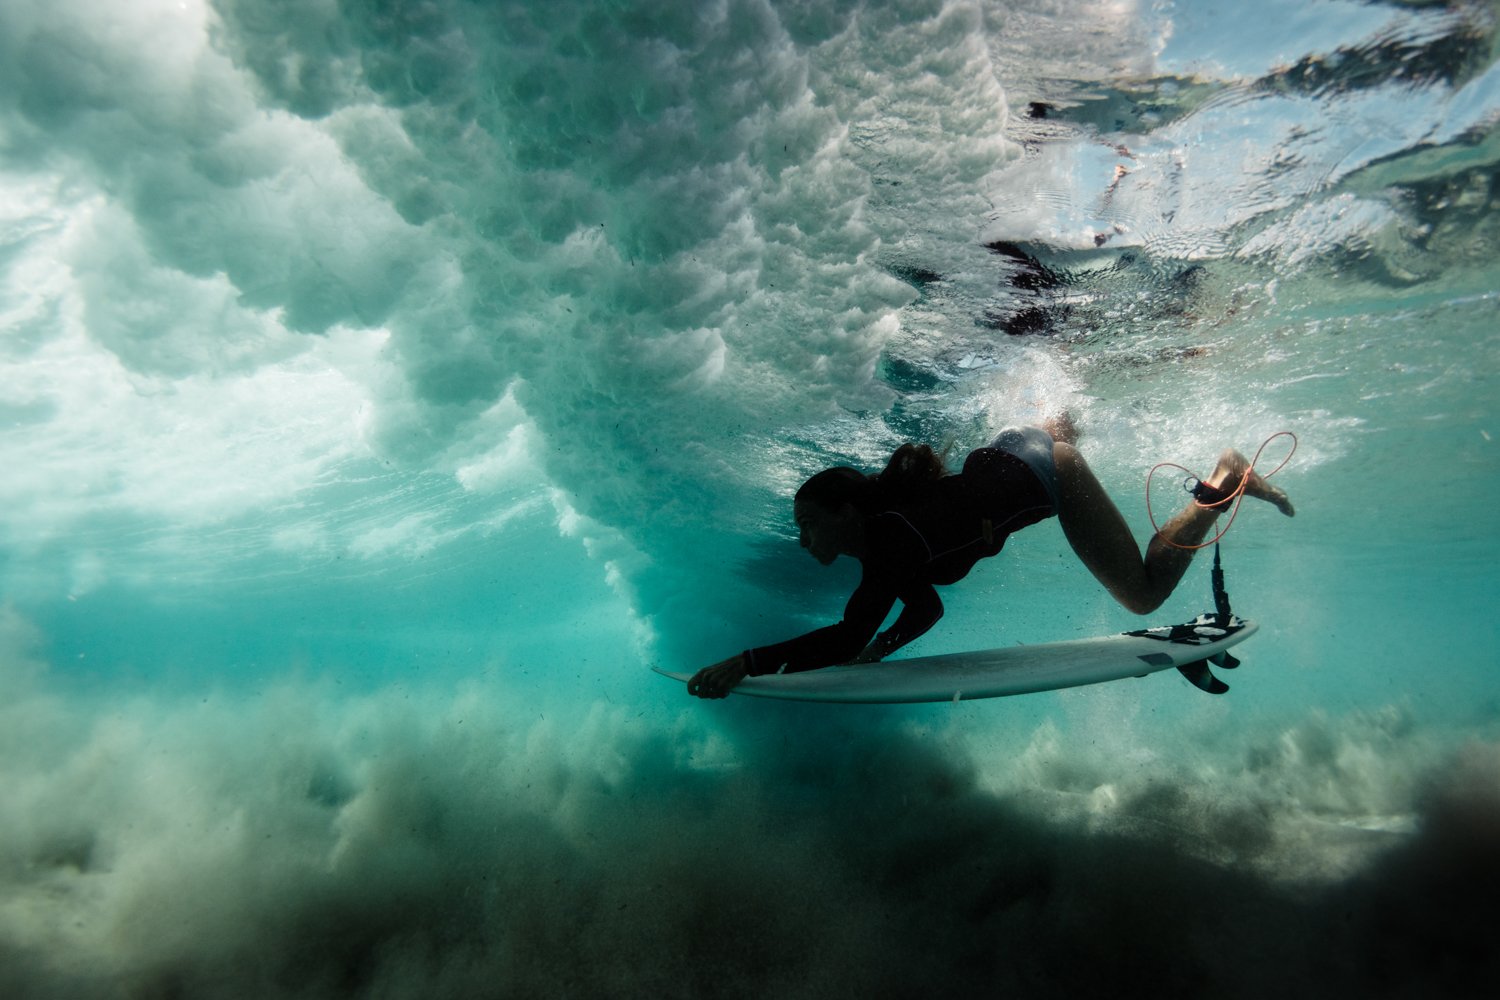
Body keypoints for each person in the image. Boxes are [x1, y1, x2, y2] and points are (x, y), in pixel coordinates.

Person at [685, 416, 1294, 698]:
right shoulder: (890, 547)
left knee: (1141, 592)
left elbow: (847, 634)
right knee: (1044, 455)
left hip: (1048, 469)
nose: (802, 540)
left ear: (847, 515)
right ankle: (1059, 422)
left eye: (809, 525)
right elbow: (924, 611)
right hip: (1013, 452)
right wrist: (884, 648)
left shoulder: (893, 539)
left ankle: (1223, 478)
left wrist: (747, 662)